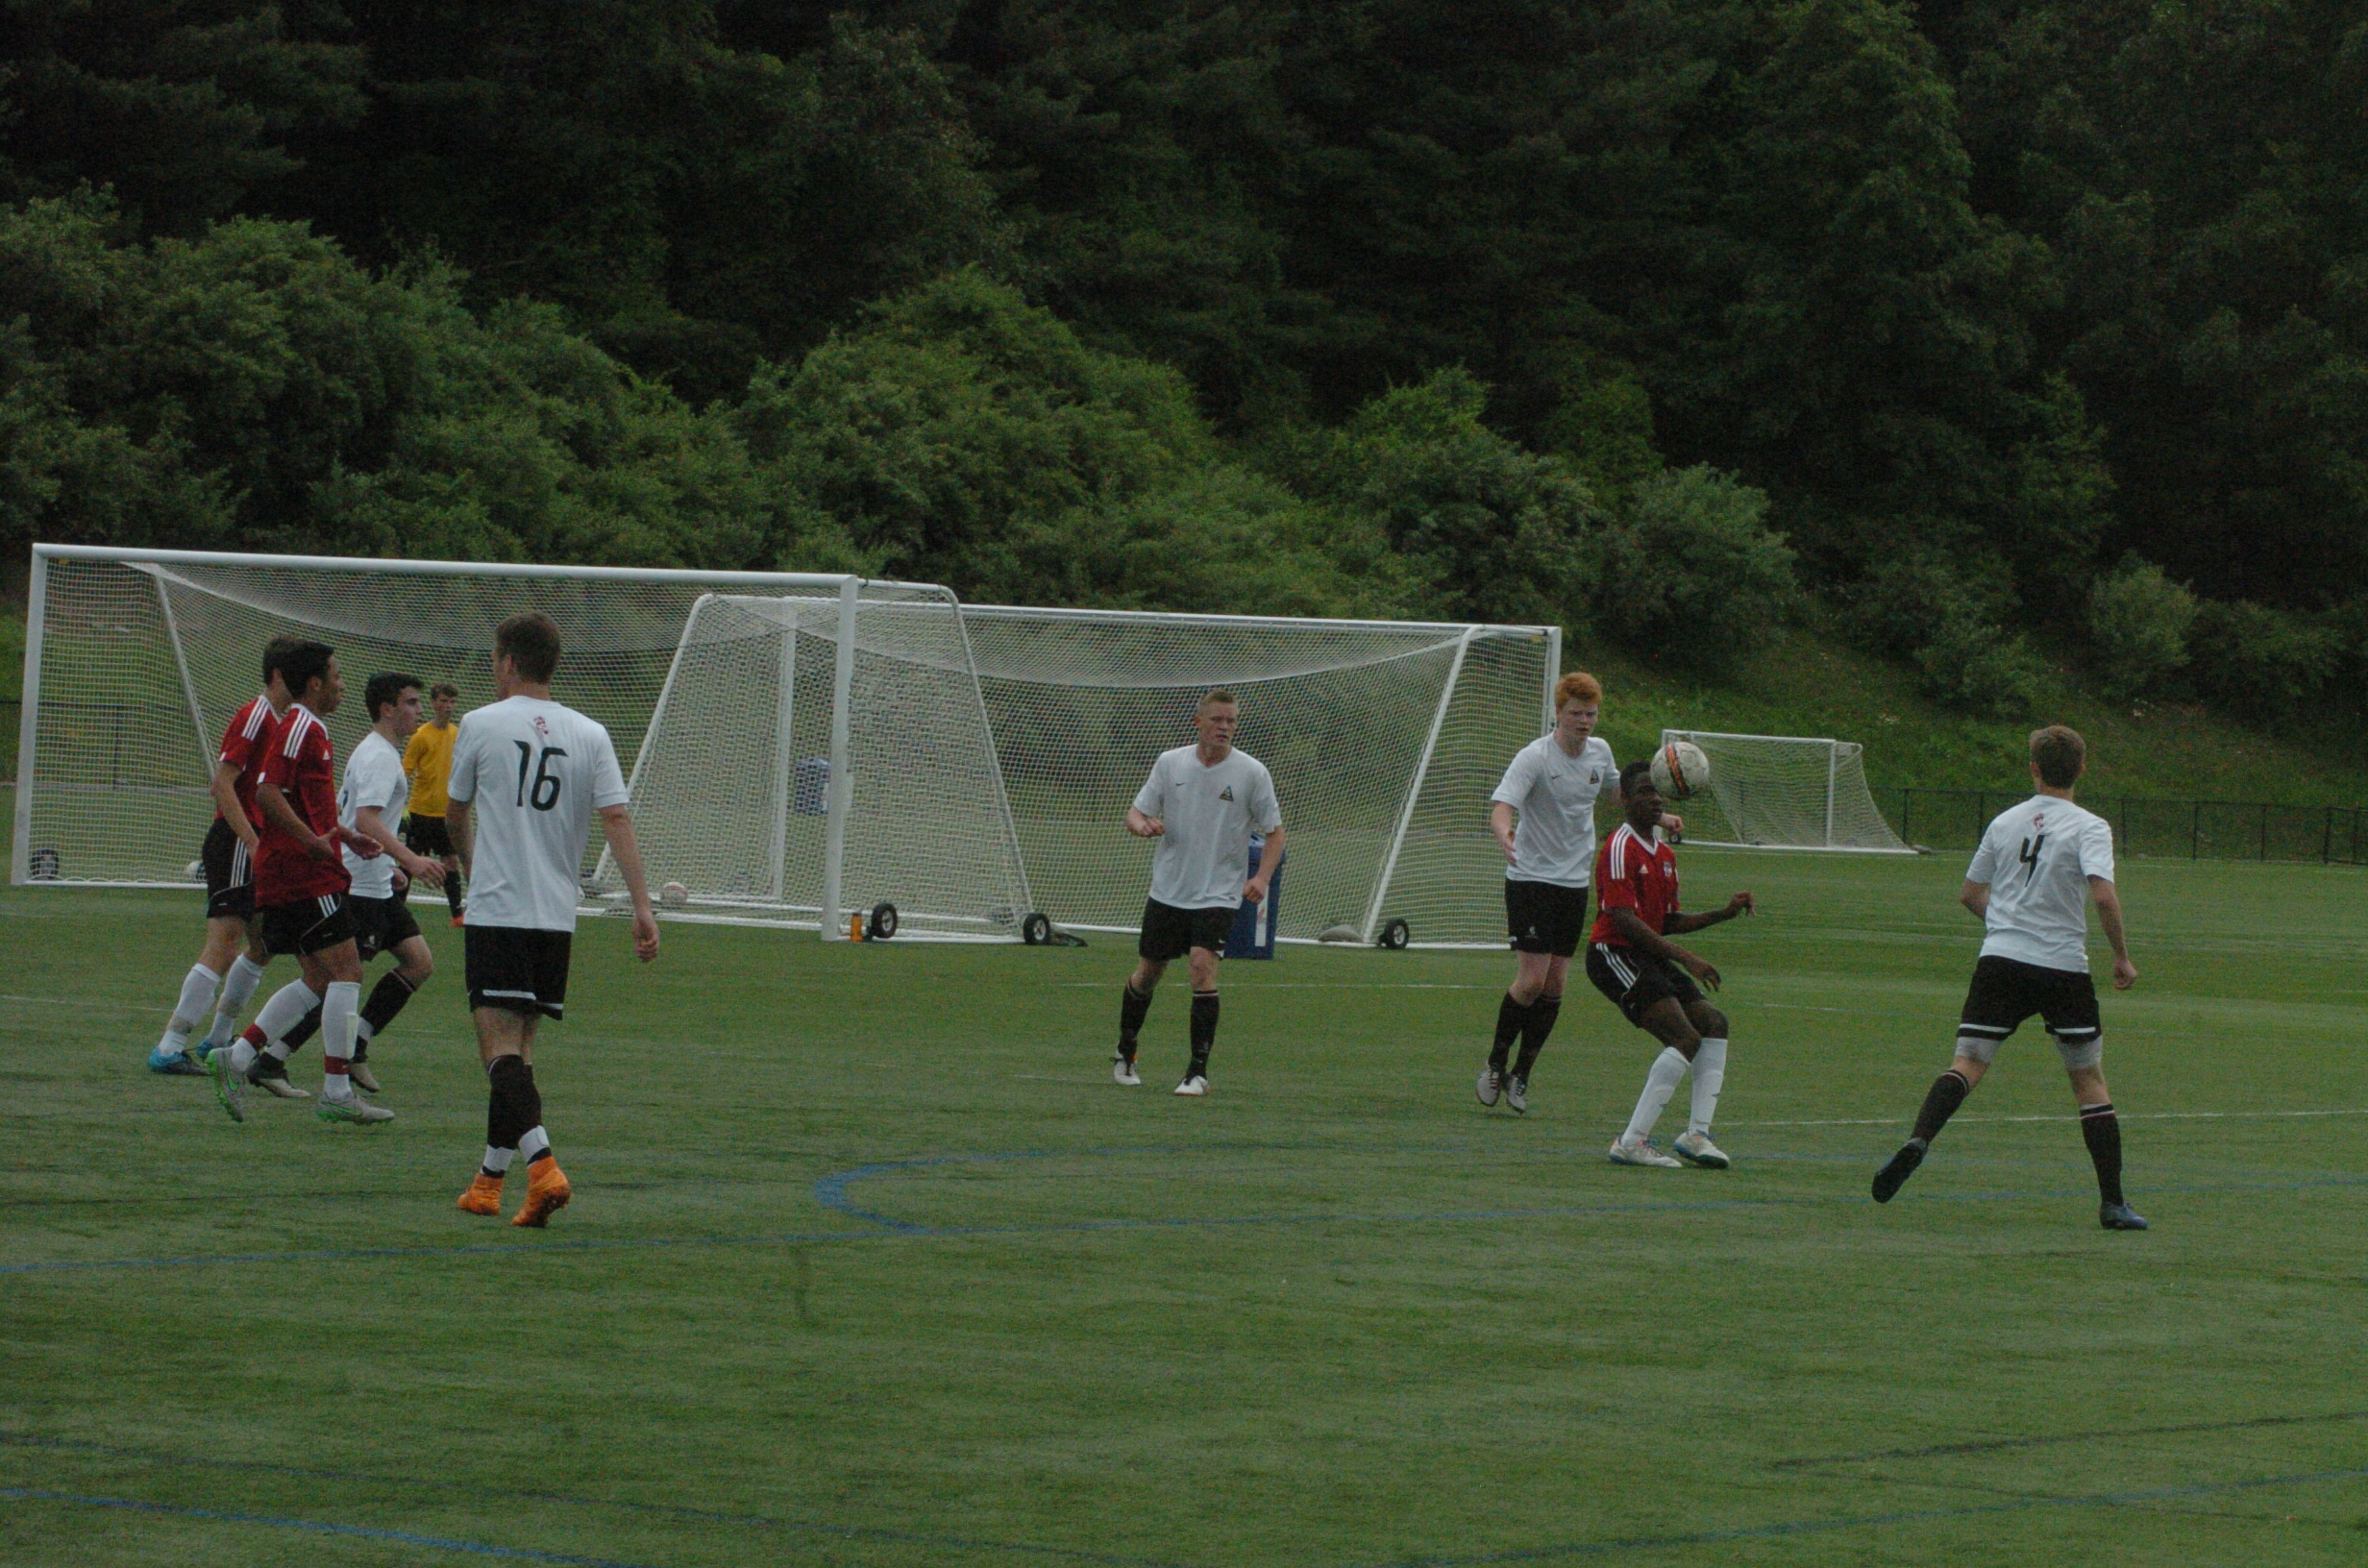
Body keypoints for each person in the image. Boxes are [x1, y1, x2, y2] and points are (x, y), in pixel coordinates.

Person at [1872, 725, 2145, 1230]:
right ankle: (2113, 1203)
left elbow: (1970, 893)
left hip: (2001, 960)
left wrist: (2005, 926)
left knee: (1968, 1062)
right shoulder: (2090, 826)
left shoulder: (2004, 821)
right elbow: (2104, 895)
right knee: (2088, 1080)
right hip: (2062, 965)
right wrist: (2121, 957)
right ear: (2082, 769)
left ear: (2034, 769)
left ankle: (1919, 1139)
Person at [446, 611, 658, 1227]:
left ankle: (543, 1169)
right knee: (521, 1051)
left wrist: (471, 863)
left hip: (500, 908)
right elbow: (616, 818)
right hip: (556, 917)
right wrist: (642, 907)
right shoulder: (591, 733)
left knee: (496, 1049)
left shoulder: (480, 723)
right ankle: (488, 1182)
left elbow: (454, 812)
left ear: (509, 662)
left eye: (496, 659)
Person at [1477, 672, 1680, 1115]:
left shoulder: (1600, 752)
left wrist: (1661, 817)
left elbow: (1618, 793)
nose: (1584, 722)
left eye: (1591, 714)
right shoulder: (1534, 757)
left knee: (1555, 985)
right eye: (1576, 714)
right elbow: (1502, 806)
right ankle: (1495, 1063)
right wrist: (1503, 831)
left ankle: (1522, 1073)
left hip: (1573, 883)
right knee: (1531, 980)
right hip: (1530, 877)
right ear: (1558, 713)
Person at [207, 642, 392, 1125]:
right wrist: (312, 843)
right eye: (336, 676)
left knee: (320, 977)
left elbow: (300, 801)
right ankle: (336, 1090)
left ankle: (237, 1058)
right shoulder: (300, 725)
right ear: (314, 683)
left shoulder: (308, 728)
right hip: (303, 875)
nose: (342, 685)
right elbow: (267, 792)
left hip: (301, 870)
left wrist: (342, 834)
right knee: (348, 971)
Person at [241, 674, 445, 1093]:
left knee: (418, 963)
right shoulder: (379, 756)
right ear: (387, 708)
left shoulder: (377, 752)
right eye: (410, 702)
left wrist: (387, 863)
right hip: (359, 888)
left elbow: (344, 812)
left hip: (376, 882)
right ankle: (273, 1058)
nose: (419, 710)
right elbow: (366, 818)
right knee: (338, 982)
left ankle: (352, 1046)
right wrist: (409, 858)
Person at [1114, 688, 1285, 1097]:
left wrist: (1261, 878)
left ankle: (1197, 1073)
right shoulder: (1170, 762)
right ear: (1198, 723)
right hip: (1169, 889)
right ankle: (1125, 1051)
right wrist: (1141, 825)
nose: (1225, 727)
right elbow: (1136, 812)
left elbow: (1275, 834)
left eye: (1231, 721)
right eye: (1217, 720)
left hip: (1220, 892)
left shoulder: (1252, 772)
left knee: (1201, 966)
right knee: (1148, 973)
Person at [1591, 761, 1755, 1168]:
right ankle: (1631, 1141)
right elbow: (1624, 920)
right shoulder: (1619, 846)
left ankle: (1696, 1136)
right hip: (1614, 953)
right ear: (1624, 800)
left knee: (1714, 1024)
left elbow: (1666, 921)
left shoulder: (1664, 853)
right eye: (1644, 792)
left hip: (1647, 953)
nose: (1655, 799)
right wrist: (1688, 959)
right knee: (1684, 1037)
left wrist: (1724, 913)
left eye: (1657, 791)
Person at [146, 638, 297, 1076]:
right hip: (235, 842)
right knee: (224, 944)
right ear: (277, 675)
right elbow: (222, 783)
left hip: (254, 843)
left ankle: (217, 1038)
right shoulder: (254, 716)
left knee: (264, 944)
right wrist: (250, 840)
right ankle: (170, 1046)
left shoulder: (279, 721)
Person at [403, 681, 466, 925]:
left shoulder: (457, 734)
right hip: (420, 811)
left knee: (450, 861)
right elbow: (405, 771)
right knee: (409, 861)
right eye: (443, 701)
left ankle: (457, 914)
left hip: (446, 812)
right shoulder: (421, 736)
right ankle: (396, 907)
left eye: (452, 702)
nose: (448, 706)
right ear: (433, 703)